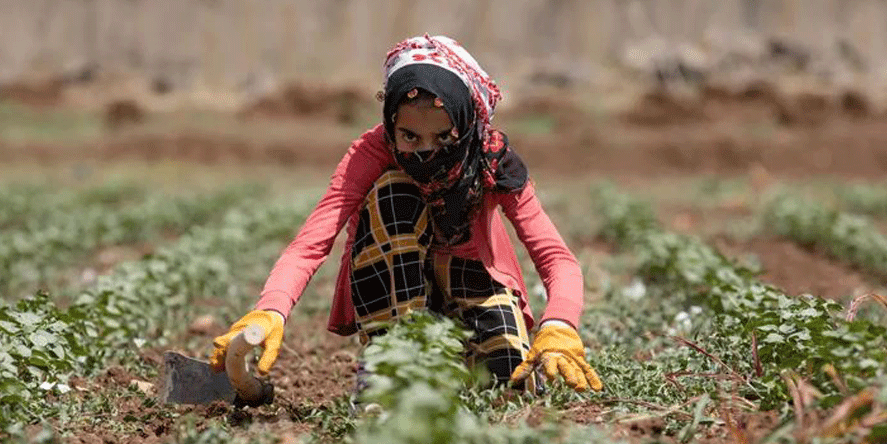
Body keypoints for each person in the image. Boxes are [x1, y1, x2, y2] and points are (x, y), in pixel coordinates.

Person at [209, 34, 602, 394]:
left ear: (464, 126)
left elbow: (556, 257)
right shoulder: (372, 152)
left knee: (511, 387)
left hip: (475, 282)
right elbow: (311, 244)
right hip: (392, 280)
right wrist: (270, 310)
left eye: (444, 137)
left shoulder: (492, 159)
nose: (426, 152)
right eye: (410, 136)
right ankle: (389, 366)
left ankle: (452, 366)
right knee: (395, 189)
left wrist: (559, 325)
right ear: (391, 124)